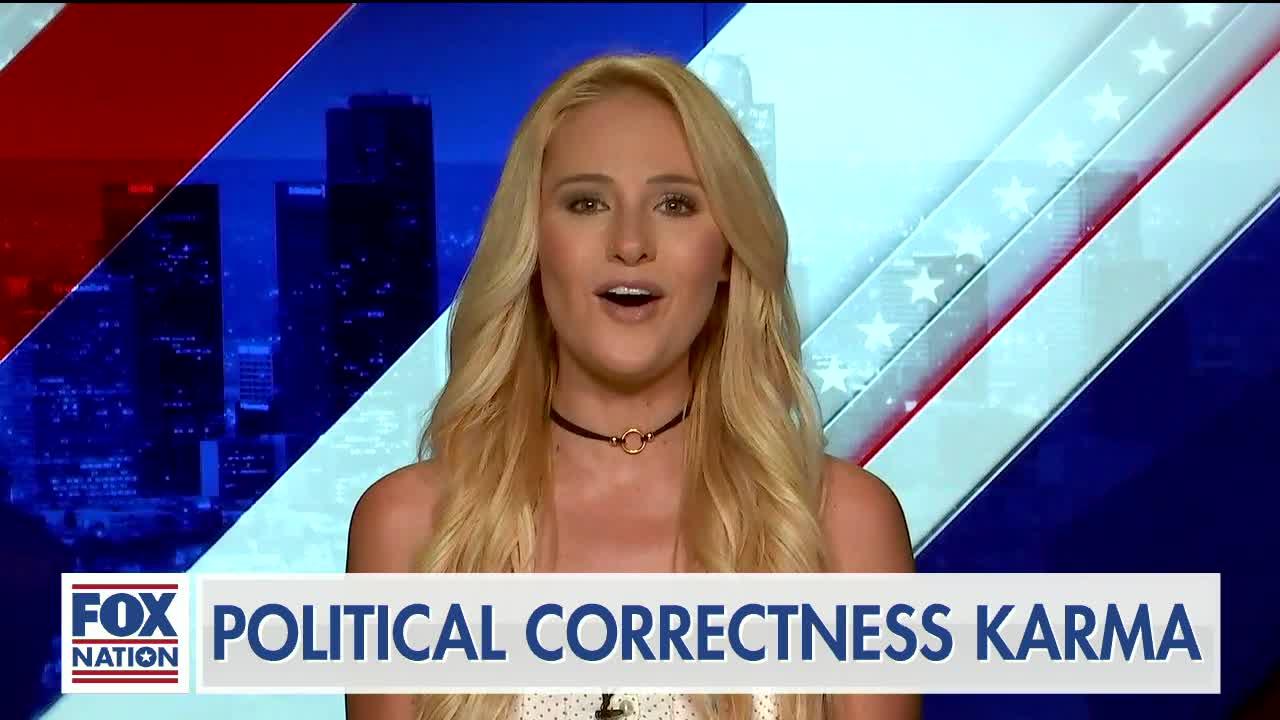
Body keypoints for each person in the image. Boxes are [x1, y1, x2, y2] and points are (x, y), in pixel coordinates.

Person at [346, 52, 917, 720]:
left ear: (728, 252)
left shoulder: (842, 526)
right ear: (533, 244)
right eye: (587, 203)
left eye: (675, 204)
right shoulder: (411, 526)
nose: (630, 243)